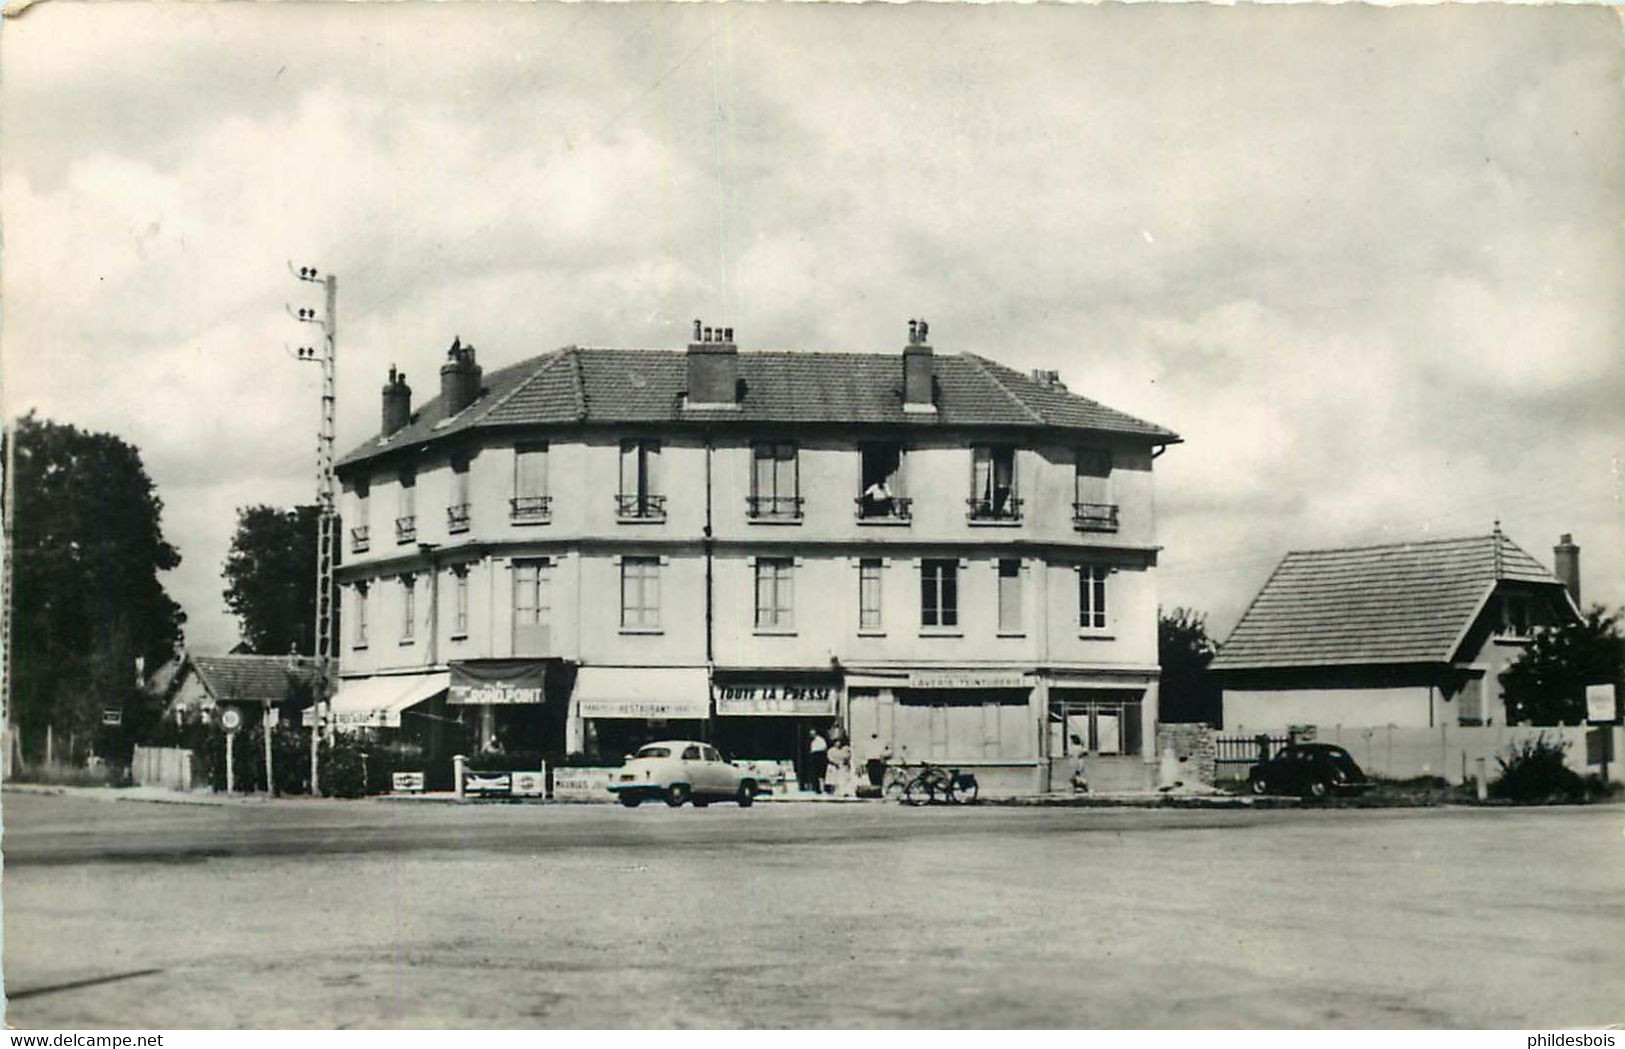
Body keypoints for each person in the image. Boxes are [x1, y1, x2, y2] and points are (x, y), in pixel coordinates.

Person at [807, 728, 829, 795]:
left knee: (820, 774)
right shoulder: (812, 741)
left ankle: (821, 789)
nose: (811, 735)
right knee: (814, 774)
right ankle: (816, 788)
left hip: (819, 756)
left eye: (812, 734)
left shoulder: (820, 740)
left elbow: (823, 748)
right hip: (814, 757)